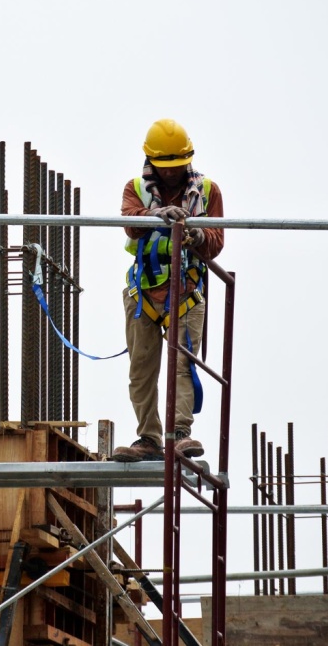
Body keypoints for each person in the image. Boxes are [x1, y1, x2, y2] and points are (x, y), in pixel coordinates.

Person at [112, 119, 224, 462]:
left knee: (183, 365)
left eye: (178, 166)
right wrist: (158, 214)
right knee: (141, 369)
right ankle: (149, 438)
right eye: (166, 167)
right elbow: (131, 223)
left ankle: (179, 435)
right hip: (144, 293)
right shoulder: (136, 188)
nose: (173, 174)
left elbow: (217, 242)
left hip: (186, 291)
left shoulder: (207, 191)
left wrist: (197, 235)